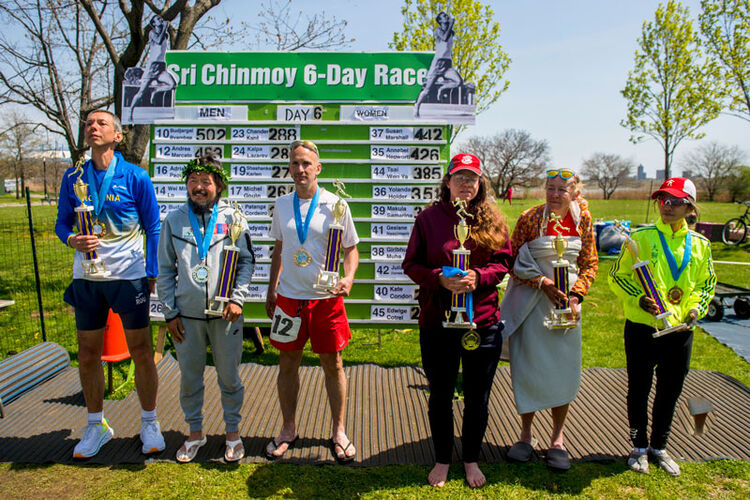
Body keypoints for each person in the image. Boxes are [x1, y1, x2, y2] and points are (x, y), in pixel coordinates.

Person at [55, 109, 164, 458]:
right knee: (88, 354)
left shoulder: (136, 176)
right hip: (87, 278)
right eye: (88, 123)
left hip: (128, 277)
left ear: (118, 136)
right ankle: (95, 425)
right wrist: (71, 239)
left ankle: (149, 422)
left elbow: (153, 226)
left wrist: (150, 271)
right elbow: (61, 224)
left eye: (101, 123)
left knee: (142, 351)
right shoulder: (73, 177)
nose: (92, 127)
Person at [402, 153, 513, 488]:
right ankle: (442, 458)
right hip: (438, 322)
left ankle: (471, 459)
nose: (467, 184)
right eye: (460, 177)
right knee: (440, 394)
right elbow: (411, 265)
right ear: (447, 181)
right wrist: (438, 277)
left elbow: (505, 260)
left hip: (481, 322)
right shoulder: (429, 218)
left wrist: (479, 277)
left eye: (473, 178)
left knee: (478, 396)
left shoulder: (492, 218)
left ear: (480, 184)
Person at [608, 178, 715, 477]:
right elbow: (617, 276)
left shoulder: (701, 244)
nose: (666, 206)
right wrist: (639, 298)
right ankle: (638, 446)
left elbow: (705, 284)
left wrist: (695, 309)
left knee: (670, 390)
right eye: (662, 200)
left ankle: (659, 446)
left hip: (680, 330)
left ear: (690, 207)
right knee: (638, 388)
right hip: (643, 327)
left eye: (675, 201)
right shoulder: (640, 237)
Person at [264, 140, 360, 463]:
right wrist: (270, 288)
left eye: (307, 164)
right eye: (295, 163)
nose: (301, 169)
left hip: (325, 300)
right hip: (290, 299)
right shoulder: (280, 205)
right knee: (287, 365)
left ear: (318, 168)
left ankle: (339, 430)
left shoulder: (336, 205)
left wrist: (347, 278)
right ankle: (288, 428)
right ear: (289, 168)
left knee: (332, 365)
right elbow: (278, 248)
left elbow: (351, 249)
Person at [498, 168, 598, 471]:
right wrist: (543, 283)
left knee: (562, 371)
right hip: (530, 304)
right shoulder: (529, 217)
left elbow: (589, 262)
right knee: (526, 367)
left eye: (562, 189)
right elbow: (512, 261)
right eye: (550, 188)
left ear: (575, 192)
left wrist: (576, 296)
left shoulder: (584, 221)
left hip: (565, 310)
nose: (555, 195)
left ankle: (557, 439)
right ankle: (525, 435)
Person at [157, 155, 254, 463]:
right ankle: (195, 433)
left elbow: (246, 261)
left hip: (226, 314)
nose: (198, 188)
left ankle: (233, 433)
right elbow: (164, 270)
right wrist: (170, 312)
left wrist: (237, 298)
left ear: (218, 185)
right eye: (193, 181)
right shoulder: (173, 220)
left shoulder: (234, 218)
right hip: (187, 317)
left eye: (205, 182)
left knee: (229, 377)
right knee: (189, 378)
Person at [414, 12, 462, 117]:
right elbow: (444, 38)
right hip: (438, 63)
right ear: (440, 21)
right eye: (444, 16)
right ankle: (417, 106)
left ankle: (442, 88)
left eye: (447, 15)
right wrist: (450, 24)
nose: (447, 16)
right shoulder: (438, 31)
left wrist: (450, 26)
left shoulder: (451, 32)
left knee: (458, 82)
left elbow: (449, 35)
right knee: (427, 90)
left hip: (447, 63)